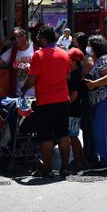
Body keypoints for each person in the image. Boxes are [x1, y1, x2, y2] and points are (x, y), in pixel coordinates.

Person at [21, 25, 72, 177]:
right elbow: (68, 76)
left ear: (43, 39)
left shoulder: (39, 54)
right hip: (63, 99)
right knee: (63, 134)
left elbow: (31, 80)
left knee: (46, 135)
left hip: (45, 100)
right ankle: (65, 167)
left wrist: (23, 89)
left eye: (39, 38)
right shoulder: (64, 54)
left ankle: (47, 169)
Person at [83, 35, 107, 171]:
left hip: (106, 99)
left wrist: (93, 84)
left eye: (90, 45)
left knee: (100, 129)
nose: (88, 48)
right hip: (104, 99)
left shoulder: (103, 60)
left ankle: (106, 161)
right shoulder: (100, 59)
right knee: (103, 130)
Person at [73, 31, 96, 164]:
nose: (72, 44)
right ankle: (88, 152)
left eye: (74, 42)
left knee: (86, 126)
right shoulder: (83, 57)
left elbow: (86, 79)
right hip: (82, 97)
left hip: (84, 97)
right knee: (85, 126)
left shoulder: (86, 58)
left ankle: (89, 154)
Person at [0, 27, 36, 98]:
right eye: (13, 39)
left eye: (17, 37)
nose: (15, 40)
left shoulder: (35, 50)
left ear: (24, 36)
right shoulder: (12, 51)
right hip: (18, 95)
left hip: (35, 95)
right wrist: (1, 47)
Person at [67, 47, 88, 171]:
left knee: (73, 136)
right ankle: (81, 160)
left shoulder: (75, 75)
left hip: (73, 110)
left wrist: (65, 106)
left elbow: (74, 95)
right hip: (77, 109)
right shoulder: (77, 72)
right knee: (73, 136)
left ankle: (78, 161)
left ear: (73, 60)